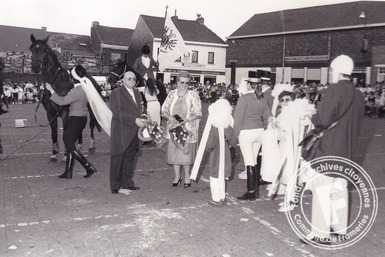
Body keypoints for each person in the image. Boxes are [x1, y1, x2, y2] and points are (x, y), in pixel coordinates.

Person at [301, 55, 365, 244]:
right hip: (348, 148)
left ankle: (320, 234)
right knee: (340, 189)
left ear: (336, 71)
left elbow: (323, 120)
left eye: (330, 70)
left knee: (323, 189)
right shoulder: (358, 94)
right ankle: (339, 229)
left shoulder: (334, 90)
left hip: (329, 147)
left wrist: (311, 115)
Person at [45, 65, 97, 179]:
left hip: (76, 118)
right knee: (70, 143)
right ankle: (68, 171)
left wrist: (51, 91)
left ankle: (89, 167)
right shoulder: (84, 88)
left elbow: (62, 102)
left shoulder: (77, 91)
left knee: (68, 143)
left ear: (73, 78)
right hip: (81, 118)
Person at [233, 71, 272, 200]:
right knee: (254, 161)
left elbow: (237, 119)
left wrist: (234, 137)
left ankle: (250, 192)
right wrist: (265, 129)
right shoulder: (262, 98)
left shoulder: (244, 98)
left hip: (246, 132)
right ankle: (255, 191)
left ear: (249, 84)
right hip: (259, 131)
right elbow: (268, 117)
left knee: (249, 162)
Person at [162, 71, 202, 188]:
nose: (184, 85)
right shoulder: (171, 94)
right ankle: (177, 176)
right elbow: (164, 109)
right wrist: (170, 118)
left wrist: (187, 119)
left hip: (187, 129)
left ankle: (187, 177)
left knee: (185, 155)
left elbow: (198, 112)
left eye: (187, 83)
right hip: (173, 129)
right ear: (177, 82)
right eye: (182, 82)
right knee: (174, 154)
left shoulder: (194, 95)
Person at [109, 71, 146, 194]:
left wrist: (143, 117)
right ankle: (115, 186)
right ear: (123, 80)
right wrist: (134, 120)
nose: (131, 81)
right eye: (129, 79)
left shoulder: (137, 93)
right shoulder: (116, 93)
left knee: (130, 158)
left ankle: (127, 183)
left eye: (134, 79)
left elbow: (140, 109)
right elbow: (117, 112)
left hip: (135, 131)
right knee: (118, 158)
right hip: (121, 130)